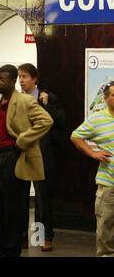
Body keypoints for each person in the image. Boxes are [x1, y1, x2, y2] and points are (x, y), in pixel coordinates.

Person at [0, 64, 53, 257]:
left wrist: (22, 140)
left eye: (2, 79)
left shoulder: (24, 101)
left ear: (13, 81)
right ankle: (4, 251)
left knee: (13, 211)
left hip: (12, 159)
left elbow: (46, 121)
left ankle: (12, 252)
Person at [18, 63, 66, 251]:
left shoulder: (48, 98)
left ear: (34, 79)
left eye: (25, 77)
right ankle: (22, 237)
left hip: (42, 154)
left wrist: (46, 106)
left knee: (42, 199)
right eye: (20, 77)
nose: (21, 81)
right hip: (22, 154)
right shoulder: (17, 100)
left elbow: (61, 121)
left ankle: (43, 237)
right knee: (21, 198)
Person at [70, 80, 114, 257]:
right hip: (109, 184)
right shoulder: (97, 119)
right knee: (106, 229)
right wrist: (93, 154)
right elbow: (76, 136)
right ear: (105, 98)